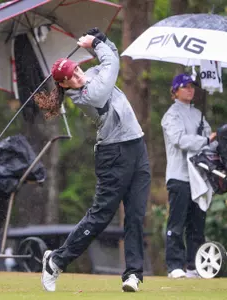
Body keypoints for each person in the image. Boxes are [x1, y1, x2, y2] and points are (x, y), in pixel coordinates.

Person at [37, 28, 151, 293]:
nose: (78, 75)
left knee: (135, 215)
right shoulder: (87, 96)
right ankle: (56, 260)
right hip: (114, 154)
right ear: (64, 85)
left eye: (77, 70)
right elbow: (111, 65)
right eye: (72, 76)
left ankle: (132, 274)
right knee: (100, 216)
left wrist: (101, 41)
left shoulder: (89, 76)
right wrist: (97, 44)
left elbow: (111, 57)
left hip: (136, 145)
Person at [161, 73, 217, 279]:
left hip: (198, 177)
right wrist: (204, 140)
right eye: (185, 86)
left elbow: (210, 138)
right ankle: (174, 265)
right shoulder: (171, 115)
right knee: (177, 222)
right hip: (179, 176)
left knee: (197, 223)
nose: (190, 89)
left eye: (192, 86)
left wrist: (206, 139)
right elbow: (180, 140)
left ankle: (194, 265)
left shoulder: (198, 114)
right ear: (175, 91)